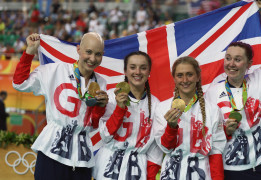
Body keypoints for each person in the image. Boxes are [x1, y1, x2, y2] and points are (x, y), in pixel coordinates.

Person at [205, 0, 261, 179]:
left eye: (237, 59)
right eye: (228, 58)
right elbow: (206, 132)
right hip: (225, 170)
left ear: (249, 64)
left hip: (255, 169)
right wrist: (224, 131)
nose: (231, 64)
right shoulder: (212, 91)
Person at [12, 32, 109, 180]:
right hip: (52, 151)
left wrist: (100, 107)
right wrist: (29, 52)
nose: (92, 59)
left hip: (82, 157)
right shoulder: (55, 71)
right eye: (88, 52)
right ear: (78, 50)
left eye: (98, 54)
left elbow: (93, 124)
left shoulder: (101, 83)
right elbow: (19, 83)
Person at [153, 56, 226, 180]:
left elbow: (216, 153)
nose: (185, 80)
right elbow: (166, 148)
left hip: (201, 174)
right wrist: (171, 127)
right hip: (171, 175)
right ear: (174, 78)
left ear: (198, 77)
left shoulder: (212, 110)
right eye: (180, 75)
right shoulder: (162, 108)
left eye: (189, 74)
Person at [92, 51, 162, 180]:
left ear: (149, 72)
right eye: (133, 67)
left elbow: (154, 149)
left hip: (136, 170)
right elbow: (105, 136)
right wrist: (119, 108)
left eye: (143, 68)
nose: (138, 72)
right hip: (107, 168)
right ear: (125, 71)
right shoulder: (111, 97)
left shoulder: (156, 105)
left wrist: (151, 176)